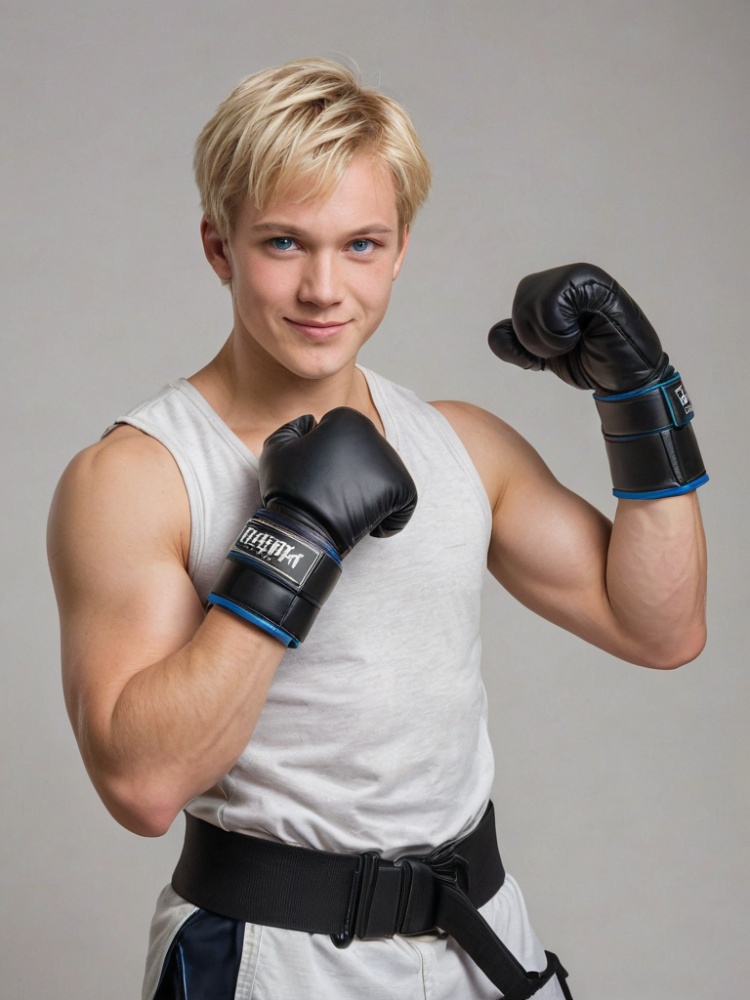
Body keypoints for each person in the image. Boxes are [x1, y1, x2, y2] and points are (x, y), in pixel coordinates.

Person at [47, 58, 708, 1000]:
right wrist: (294, 535)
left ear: (400, 250)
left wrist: (645, 405)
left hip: (484, 937)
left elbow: (663, 627)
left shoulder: (463, 445)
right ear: (218, 246)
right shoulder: (137, 476)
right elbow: (143, 785)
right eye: (284, 243)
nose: (325, 287)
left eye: (361, 244)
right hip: (278, 956)